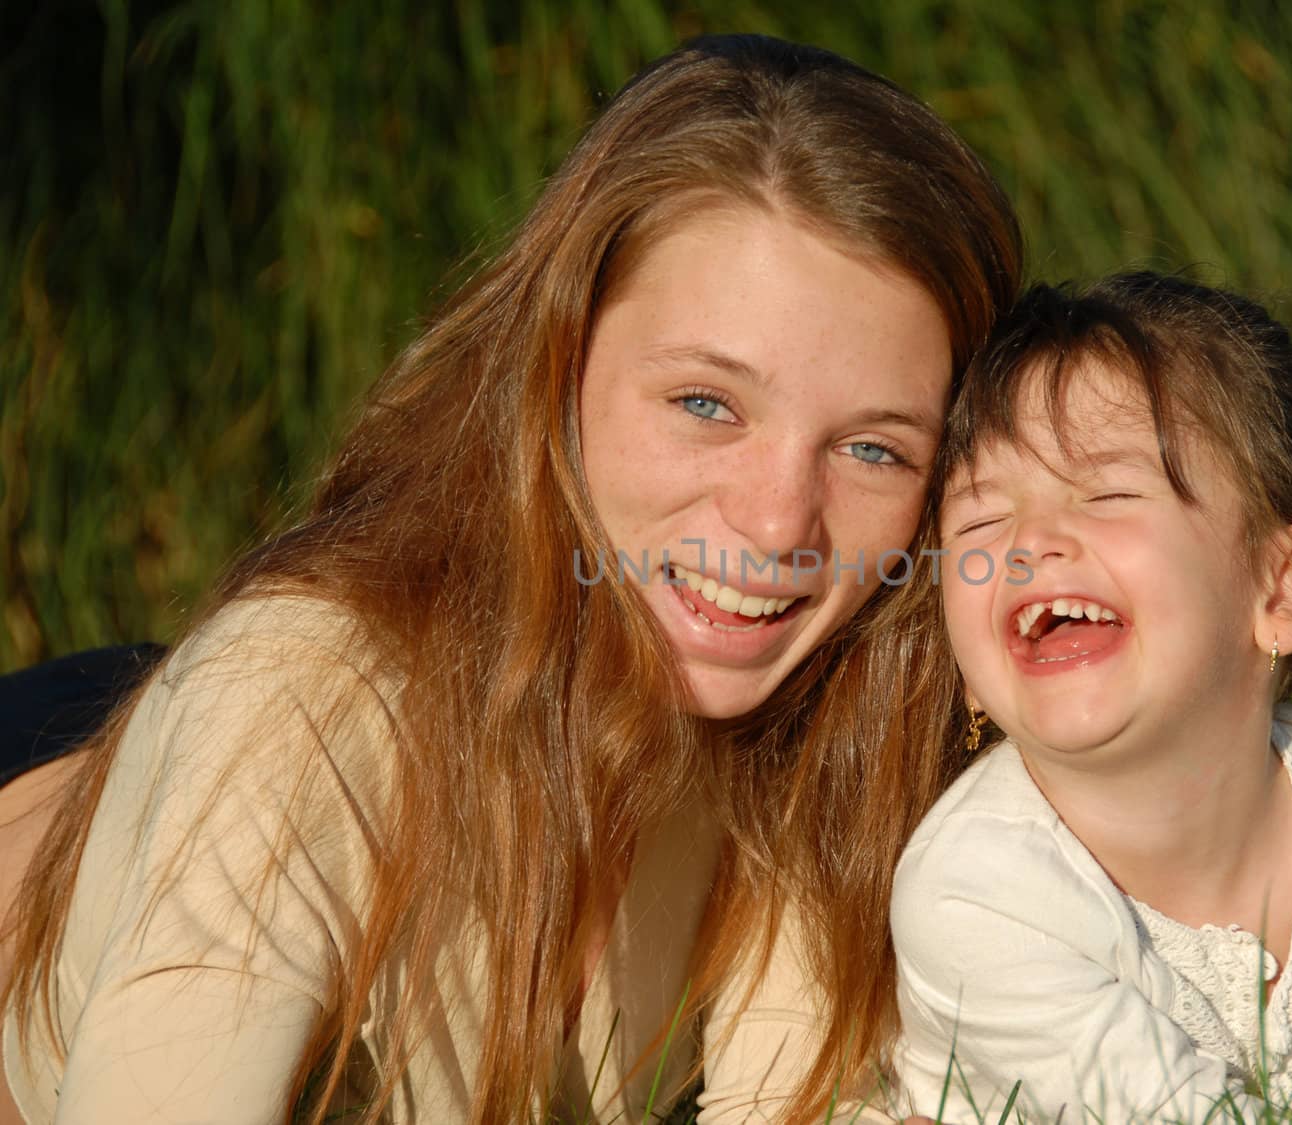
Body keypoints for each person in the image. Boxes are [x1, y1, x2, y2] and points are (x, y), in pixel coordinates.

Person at [0, 34, 1022, 1125]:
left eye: (873, 450)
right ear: (556, 364)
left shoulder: (833, 719)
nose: (776, 523)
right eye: (705, 404)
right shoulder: (299, 704)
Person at [891, 275, 1292, 1123]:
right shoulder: (973, 894)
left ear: (1285, 588)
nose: (1028, 541)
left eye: (1107, 493)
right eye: (982, 521)